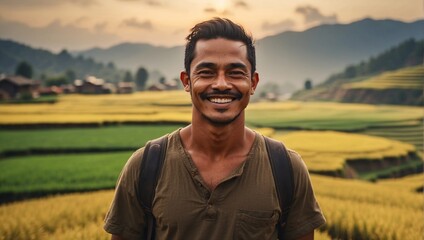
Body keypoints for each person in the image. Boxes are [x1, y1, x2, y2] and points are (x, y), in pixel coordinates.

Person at [104, 17, 326, 240]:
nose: (221, 84)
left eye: (235, 73)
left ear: (253, 83)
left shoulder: (286, 169)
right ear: (186, 81)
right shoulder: (144, 167)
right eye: (207, 72)